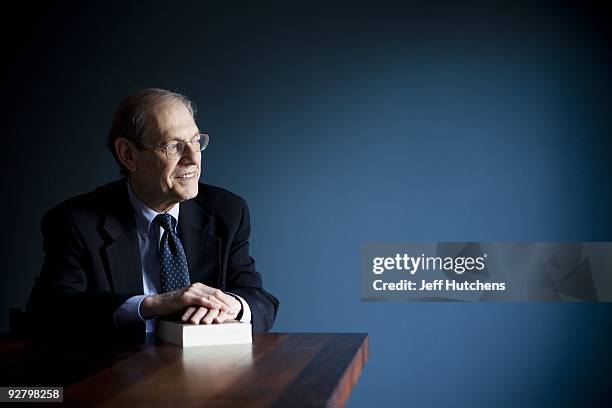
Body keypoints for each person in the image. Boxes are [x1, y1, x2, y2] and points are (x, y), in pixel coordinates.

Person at [27, 88, 279, 338]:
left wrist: (234, 305)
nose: (193, 158)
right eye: (173, 146)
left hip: (209, 369)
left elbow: (260, 301)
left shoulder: (227, 212)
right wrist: (153, 304)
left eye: (195, 141)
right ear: (128, 154)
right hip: (116, 371)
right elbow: (49, 312)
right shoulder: (76, 222)